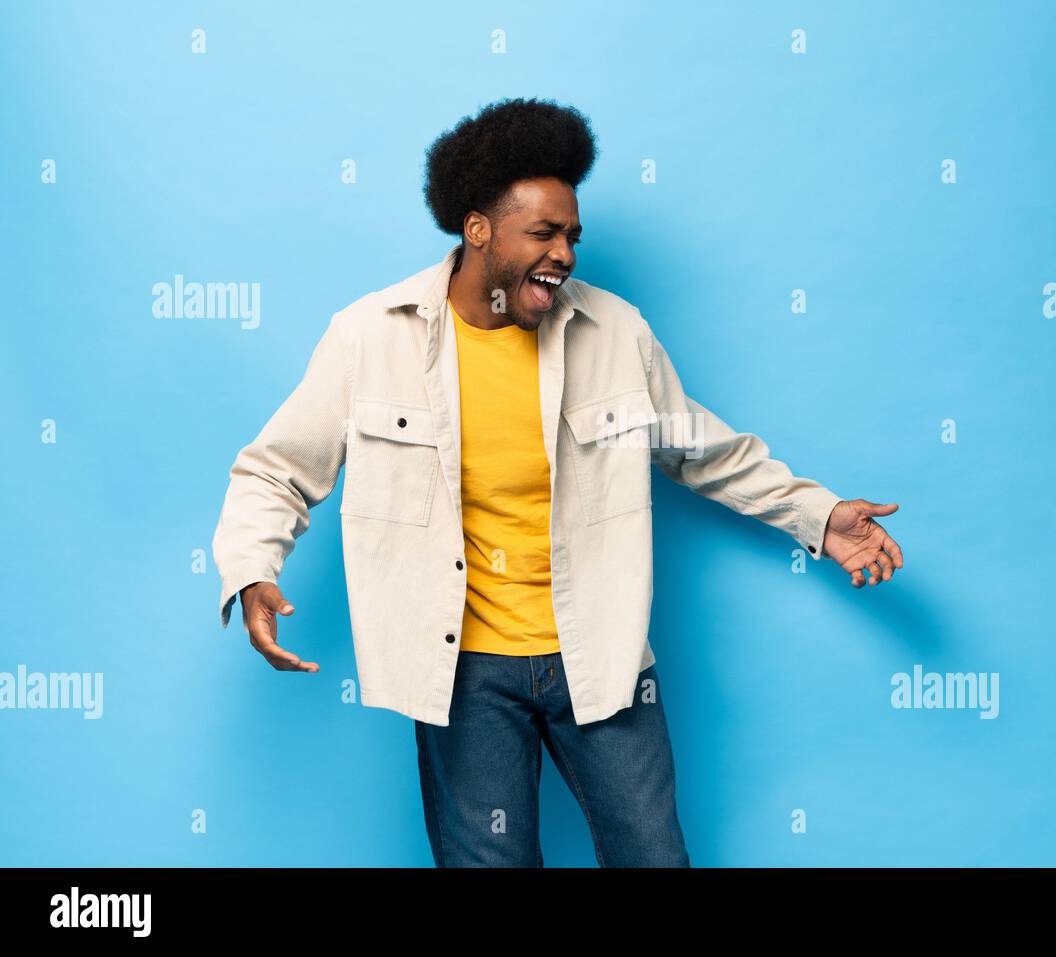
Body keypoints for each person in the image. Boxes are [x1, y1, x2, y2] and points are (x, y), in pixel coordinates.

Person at [212, 97, 904, 867]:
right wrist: (252, 572)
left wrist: (819, 515)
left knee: (653, 857)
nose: (564, 253)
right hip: (462, 674)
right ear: (478, 229)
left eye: (572, 235)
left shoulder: (614, 332)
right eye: (543, 232)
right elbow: (276, 467)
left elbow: (701, 449)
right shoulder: (372, 336)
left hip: (600, 660)